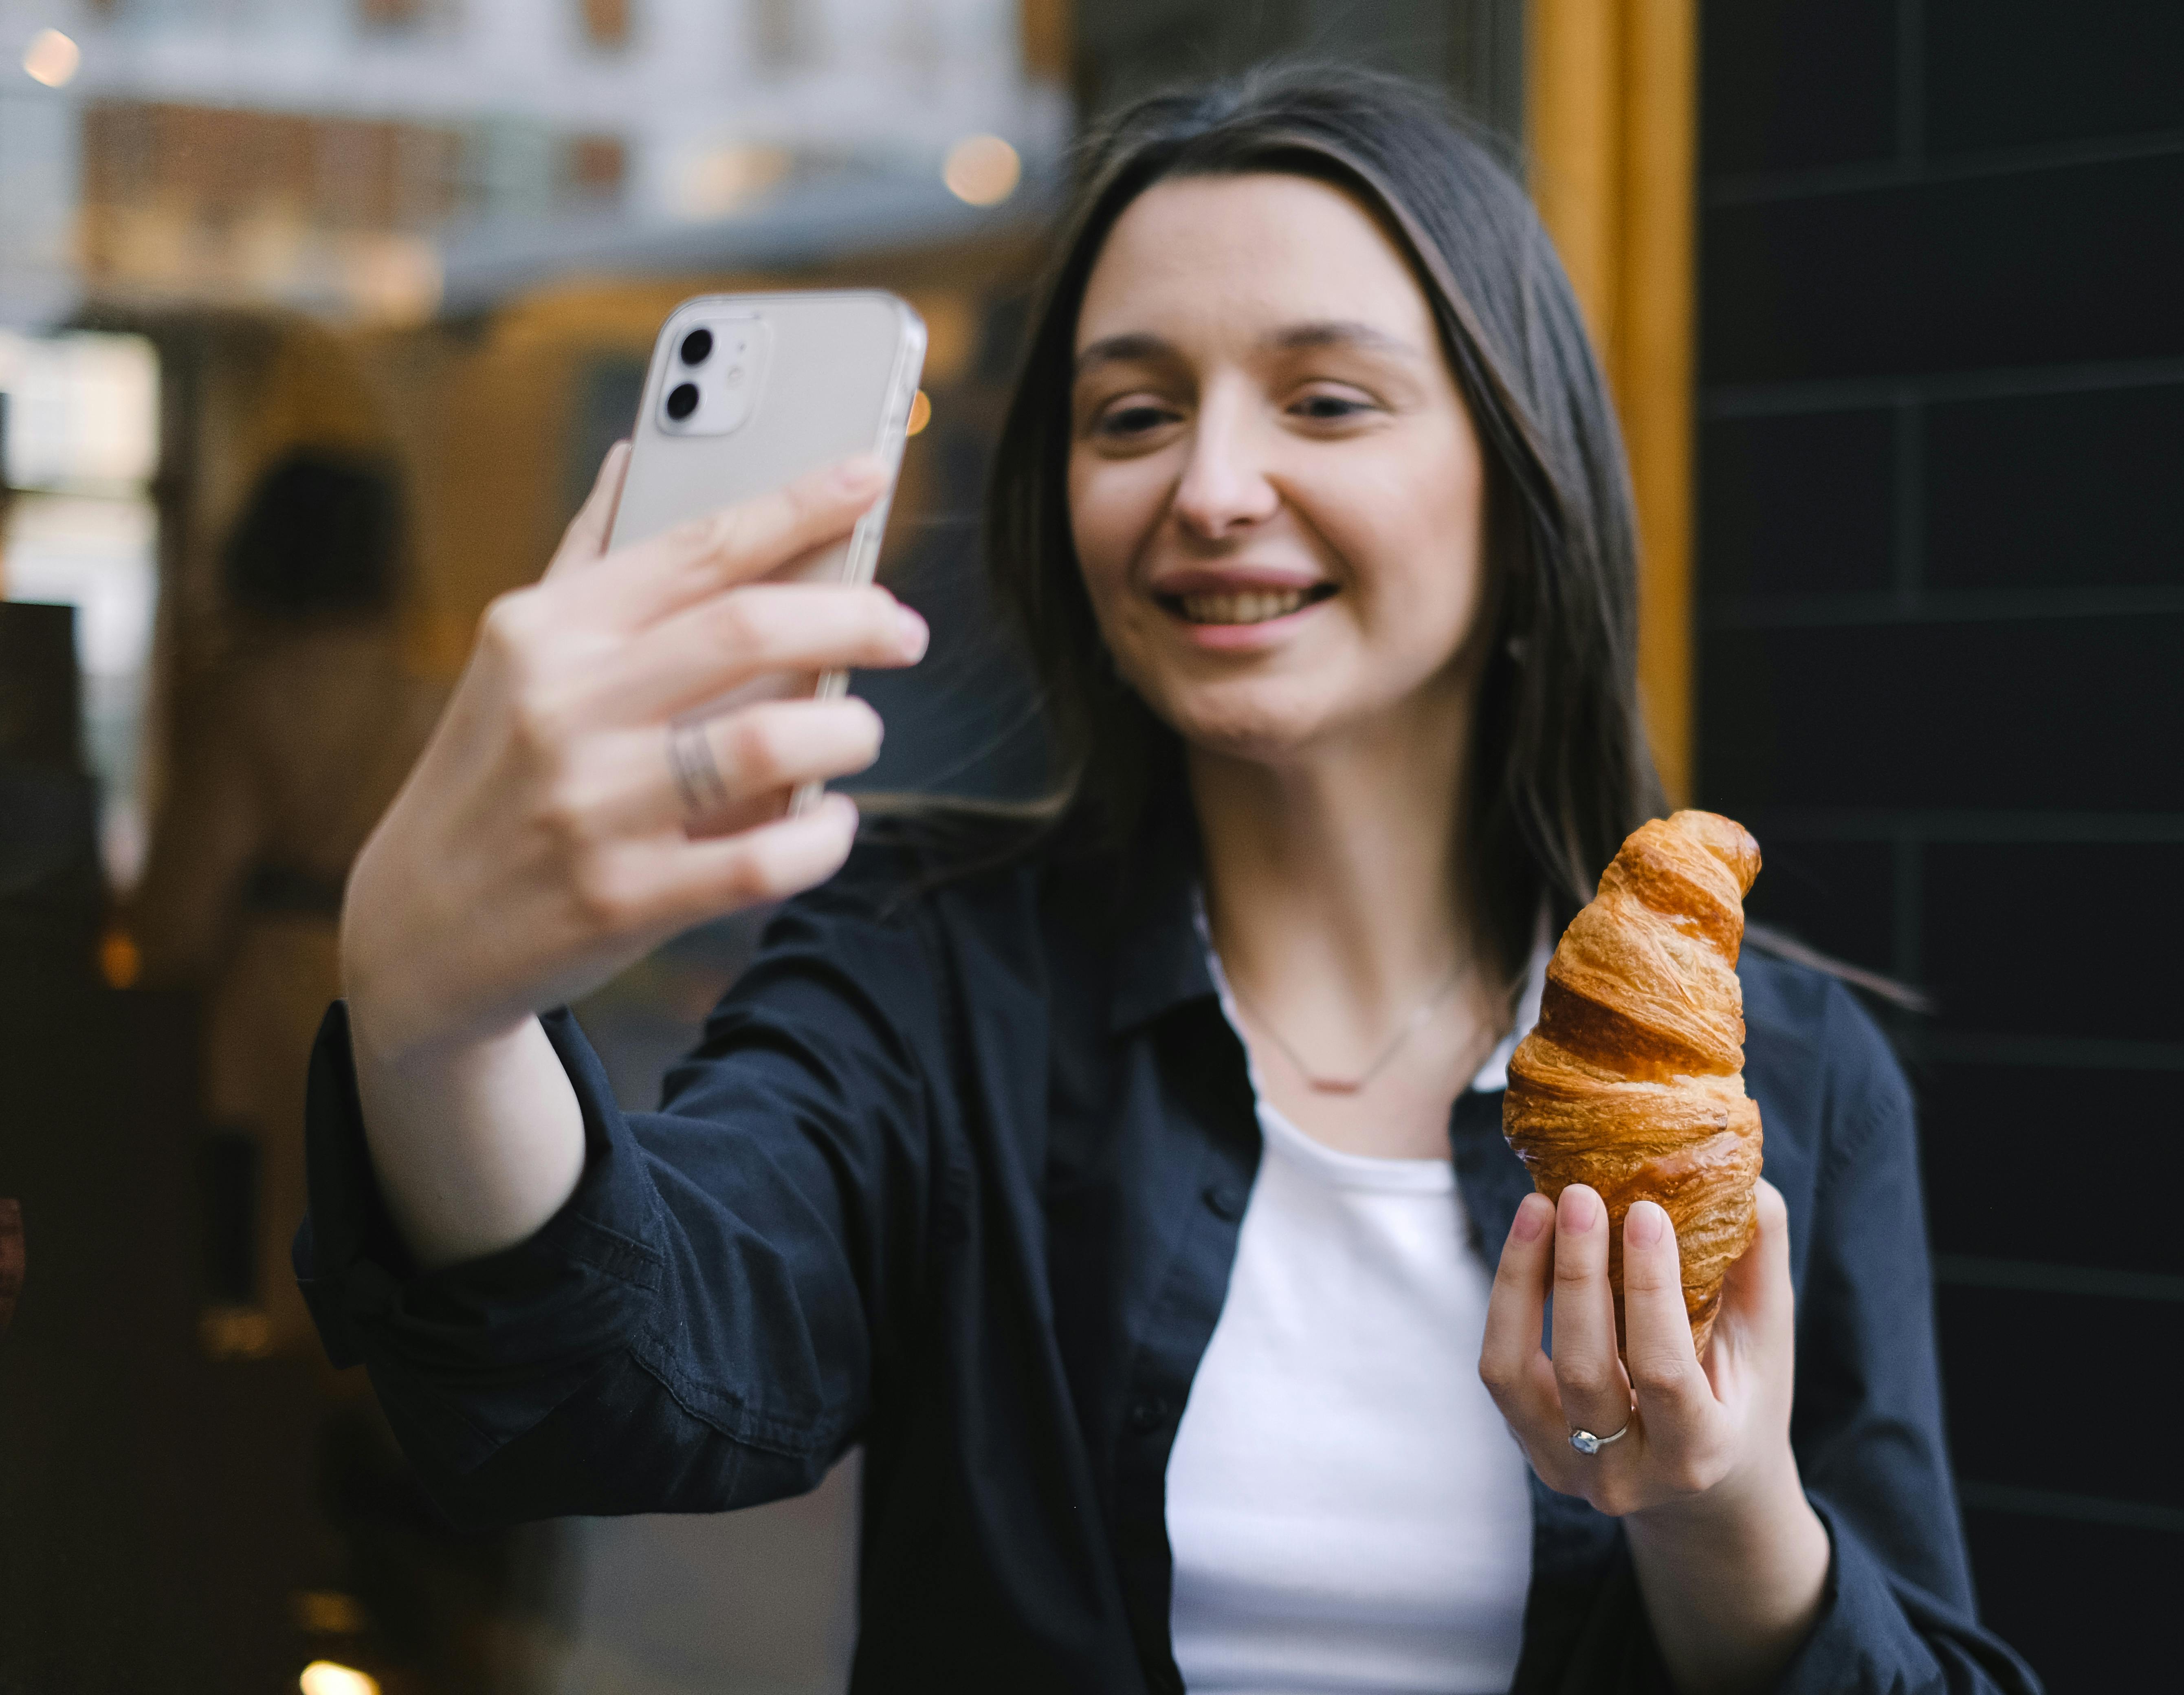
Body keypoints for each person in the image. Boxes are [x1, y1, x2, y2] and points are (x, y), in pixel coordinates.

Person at [299, 67, 2040, 1695]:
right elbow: (608, 1386)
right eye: (1131, 413)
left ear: (1519, 484)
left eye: (1326, 400)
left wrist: (1717, 1509)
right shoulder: (929, 976)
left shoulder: (1784, 1077)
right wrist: (436, 1021)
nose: (1207, 486)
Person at [132, 448, 444, 1360]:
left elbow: (183, 909)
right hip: (395, 987)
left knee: (249, 1273)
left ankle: (255, 1470)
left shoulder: (247, 693)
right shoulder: (429, 697)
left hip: (265, 994)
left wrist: (146, 966)